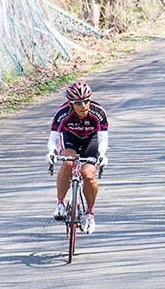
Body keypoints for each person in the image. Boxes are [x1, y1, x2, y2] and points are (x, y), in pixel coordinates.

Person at [46, 82, 108, 235]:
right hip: (70, 140)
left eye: (87, 101)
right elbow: (53, 138)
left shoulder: (98, 112)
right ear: (70, 104)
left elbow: (103, 139)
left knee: (88, 174)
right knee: (67, 162)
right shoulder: (62, 113)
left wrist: (101, 155)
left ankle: (89, 213)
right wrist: (51, 152)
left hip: (90, 141)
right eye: (78, 103)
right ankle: (60, 203)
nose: (83, 105)